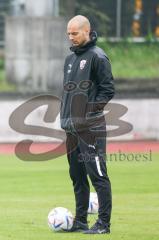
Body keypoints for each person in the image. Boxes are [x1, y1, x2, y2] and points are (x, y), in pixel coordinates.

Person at [60, 15, 115, 234]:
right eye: (68, 34)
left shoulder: (98, 57)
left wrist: (88, 113)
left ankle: (103, 224)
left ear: (86, 31)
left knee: (98, 175)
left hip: (90, 129)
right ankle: (81, 220)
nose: (71, 37)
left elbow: (107, 90)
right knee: (77, 175)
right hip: (71, 129)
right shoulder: (69, 60)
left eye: (74, 33)